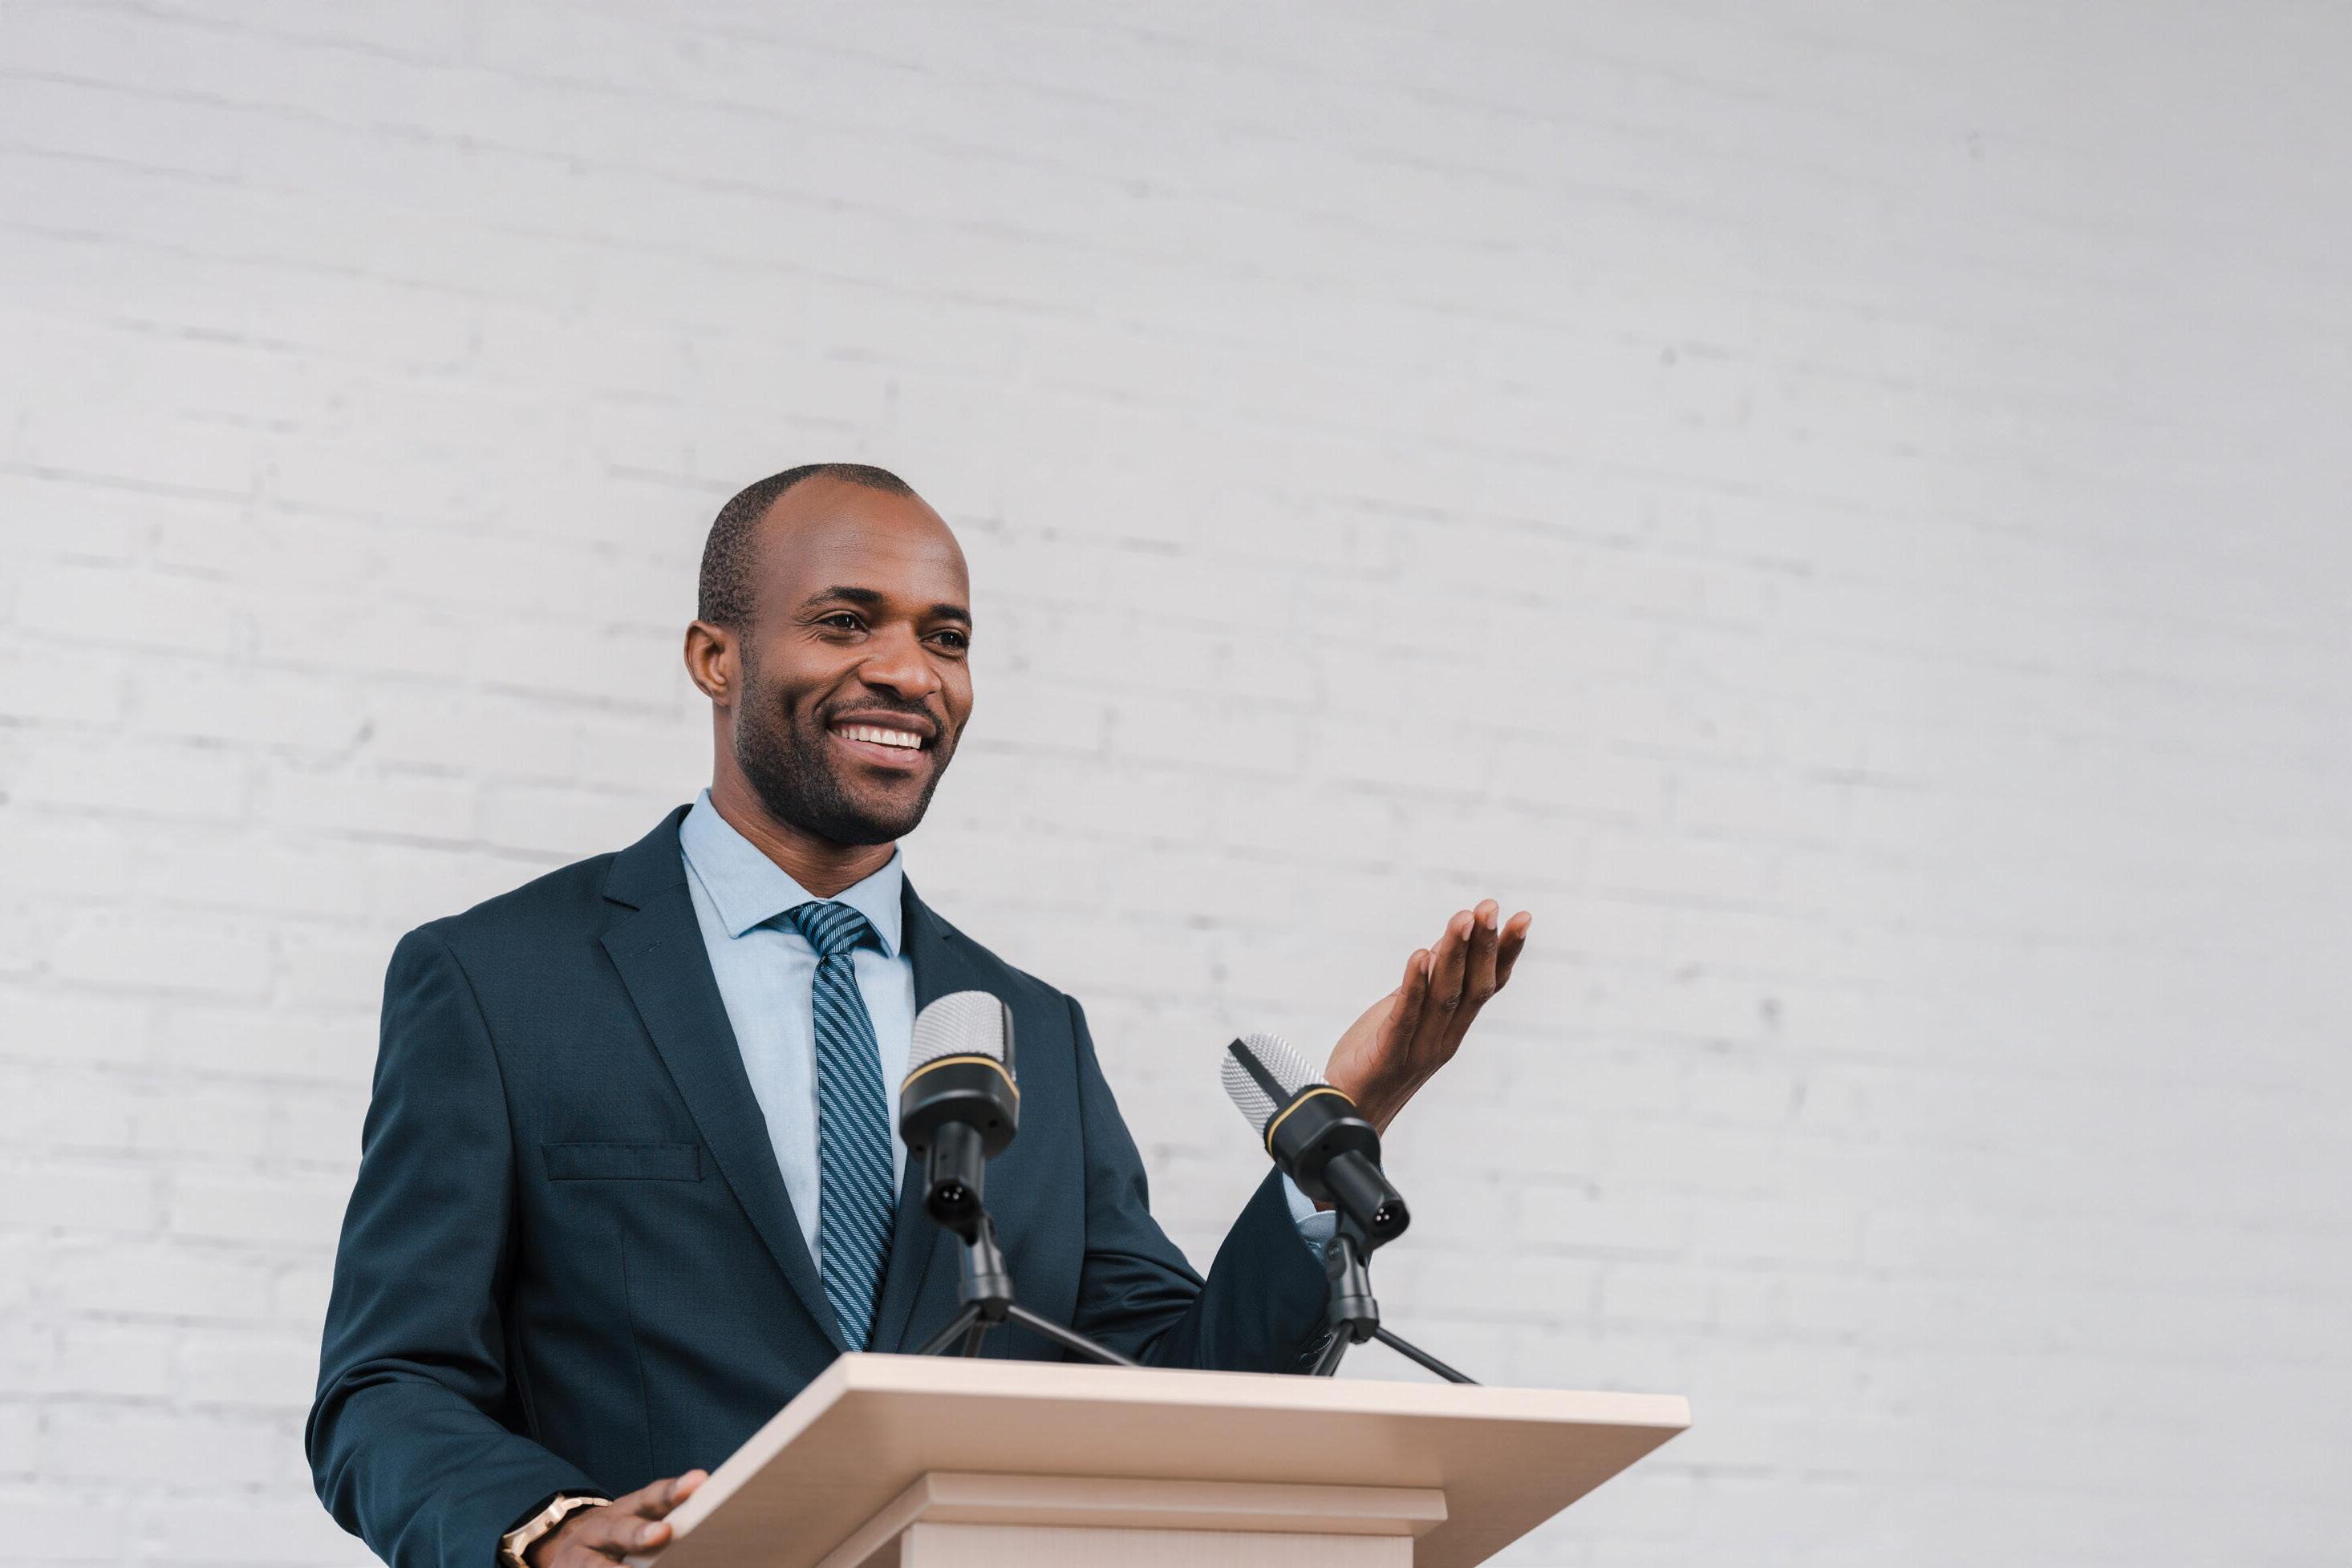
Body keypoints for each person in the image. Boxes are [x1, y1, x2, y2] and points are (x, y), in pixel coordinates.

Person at [306, 464, 1532, 1568]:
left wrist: (1353, 1121)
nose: (909, 671)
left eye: (946, 637)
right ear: (715, 657)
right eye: (846, 621)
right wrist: (548, 1528)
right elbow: (389, 1385)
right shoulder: (498, 982)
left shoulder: (1031, 1034)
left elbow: (1178, 1385)